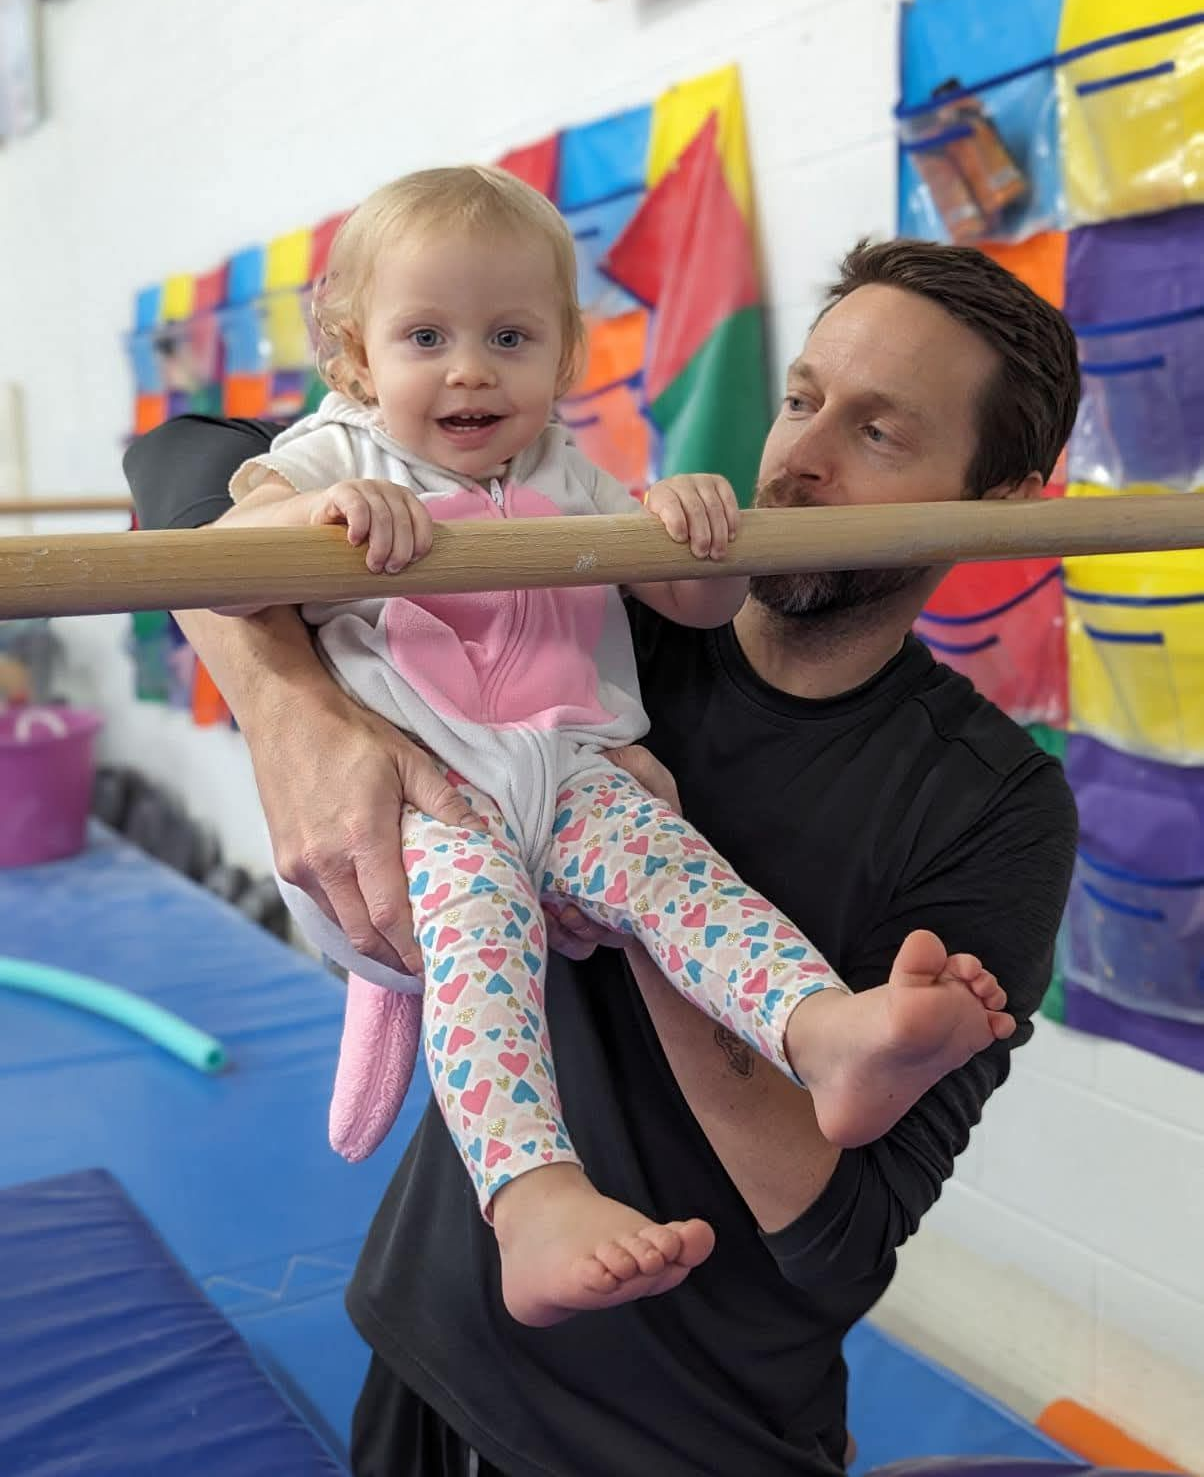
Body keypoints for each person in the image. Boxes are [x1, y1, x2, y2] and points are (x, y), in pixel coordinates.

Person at [126, 235, 1081, 1477]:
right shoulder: (597, 602)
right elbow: (181, 459)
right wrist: (290, 710)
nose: (797, 458)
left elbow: (841, 1232)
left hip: (690, 1427)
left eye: (879, 433)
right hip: (438, 1339)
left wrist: (631, 910)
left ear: (995, 505)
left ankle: (816, 1022)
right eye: (801, 400)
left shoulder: (992, 802)